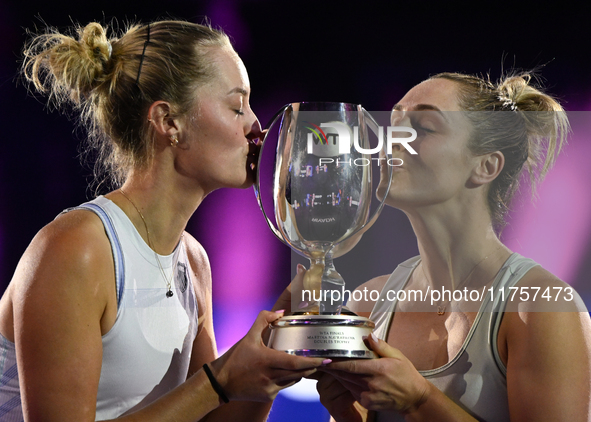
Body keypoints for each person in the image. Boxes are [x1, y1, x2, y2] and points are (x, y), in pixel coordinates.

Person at [0, 19, 330, 421]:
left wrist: (279, 341)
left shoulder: (193, 262)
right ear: (168, 122)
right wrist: (220, 379)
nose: (256, 127)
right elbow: (212, 389)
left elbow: (213, 416)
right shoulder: (77, 249)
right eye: (237, 105)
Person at [305, 72, 591, 421]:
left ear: (486, 166)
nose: (389, 141)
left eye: (423, 127)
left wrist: (419, 401)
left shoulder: (540, 309)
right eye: (393, 124)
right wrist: (348, 414)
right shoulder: (367, 303)